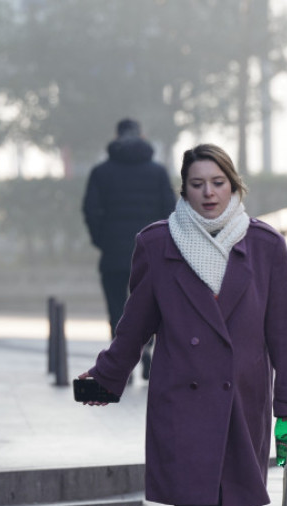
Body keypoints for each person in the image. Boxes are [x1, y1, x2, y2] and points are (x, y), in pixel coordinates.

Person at [80, 144, 287, 506]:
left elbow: (283, 333)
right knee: (195, 501)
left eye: (217, 183)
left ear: (234, 186)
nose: (208, 193)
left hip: (242, 397)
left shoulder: (265, 246)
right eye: (197, 184)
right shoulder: (159, 243)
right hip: (181, 398)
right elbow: (136, 321)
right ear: (183, 189)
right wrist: (108, 375)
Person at [82, 118, 176, 379]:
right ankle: (147, 349)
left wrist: (102, 240)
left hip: (113, 253)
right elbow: (170, 211)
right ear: (142, 136)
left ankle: (121, 359)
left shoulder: (101, 172)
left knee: (117, 308)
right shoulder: (157, 172)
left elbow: (90, 211)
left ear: (116, 136)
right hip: (153, 254)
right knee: (151, 305)